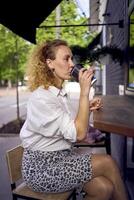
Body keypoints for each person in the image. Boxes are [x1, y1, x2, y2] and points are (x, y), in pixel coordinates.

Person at [20, 39, 128, 200]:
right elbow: (79, 134)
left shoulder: (58, 93)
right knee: (107, 162)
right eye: (66, 59)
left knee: (104, 189)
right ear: (50, 63)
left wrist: (87, 108)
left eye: (71, 59)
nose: (72, 64)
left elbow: (71, 125)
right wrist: (84, 93)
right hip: (42, 168)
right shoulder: (42, 98)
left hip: (63, 158)